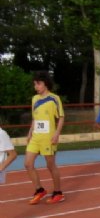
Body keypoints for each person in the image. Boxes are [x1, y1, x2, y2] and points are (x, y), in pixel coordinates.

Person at [24, 71, 65, 204]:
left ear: (45, 84)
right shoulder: (34, 99)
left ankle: (58, 193)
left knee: (50, 165)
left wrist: (57, 134)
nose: (36, 87)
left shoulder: (54, 98)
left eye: (38, 84)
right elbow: (34, 118)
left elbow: (61, 117)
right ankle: (39, 190)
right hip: (36, 137)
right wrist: (30, 132)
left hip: (48, 137)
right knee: (28, 163)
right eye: (34, 84)